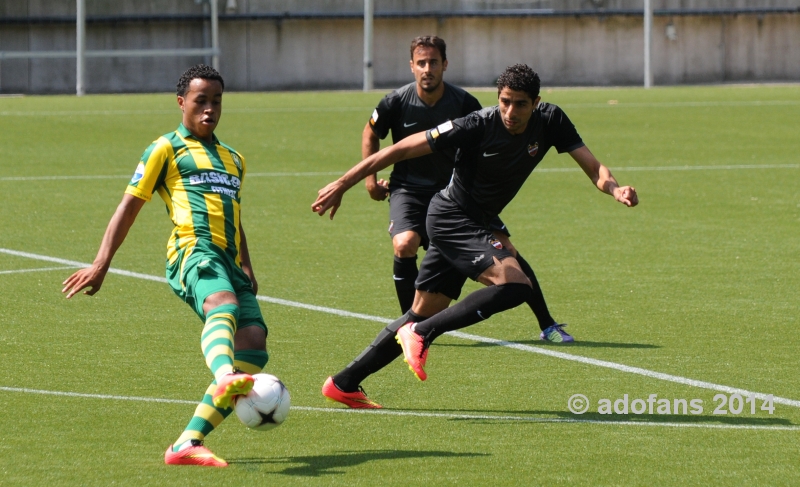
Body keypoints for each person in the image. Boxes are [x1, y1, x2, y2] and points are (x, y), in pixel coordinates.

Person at [313, 64, 637, 406]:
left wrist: (614, 189)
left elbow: (594, 168)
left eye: (520, 104)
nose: (510, 112)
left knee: (420, 311)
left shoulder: (552, 120)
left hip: (476, 221)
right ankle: (421, 334)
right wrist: (343, 183)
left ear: (536, 102)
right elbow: (402, 149)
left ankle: (345, 382)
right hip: (451, 218)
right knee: (515, 285)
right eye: (505, 101)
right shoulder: (477, 124)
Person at [62, 64, 268, 468]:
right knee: (221, 305)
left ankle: (187, 443)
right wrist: (101, 263)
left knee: (254, 344)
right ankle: (225, 376)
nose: (209, 109)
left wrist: (247, 263)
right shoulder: (166, 148)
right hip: (192, 251)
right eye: (201, 101)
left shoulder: (233, 159)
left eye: (216, 101)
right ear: (181, 103)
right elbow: (129, 206)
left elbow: (234, 214)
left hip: (228, 257)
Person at [366, 38, 568, 334]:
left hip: (458, 192)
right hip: (410, 189)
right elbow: (372, 134)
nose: (428, 69)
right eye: (421, 63)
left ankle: (547, 325)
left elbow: (489, 138)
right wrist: (369, 181)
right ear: (411, 66)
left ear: (445, 64)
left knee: (509, 251)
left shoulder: (464, 103)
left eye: (434, 62)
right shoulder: (395, 101)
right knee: (405, 243)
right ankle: (412, 328)